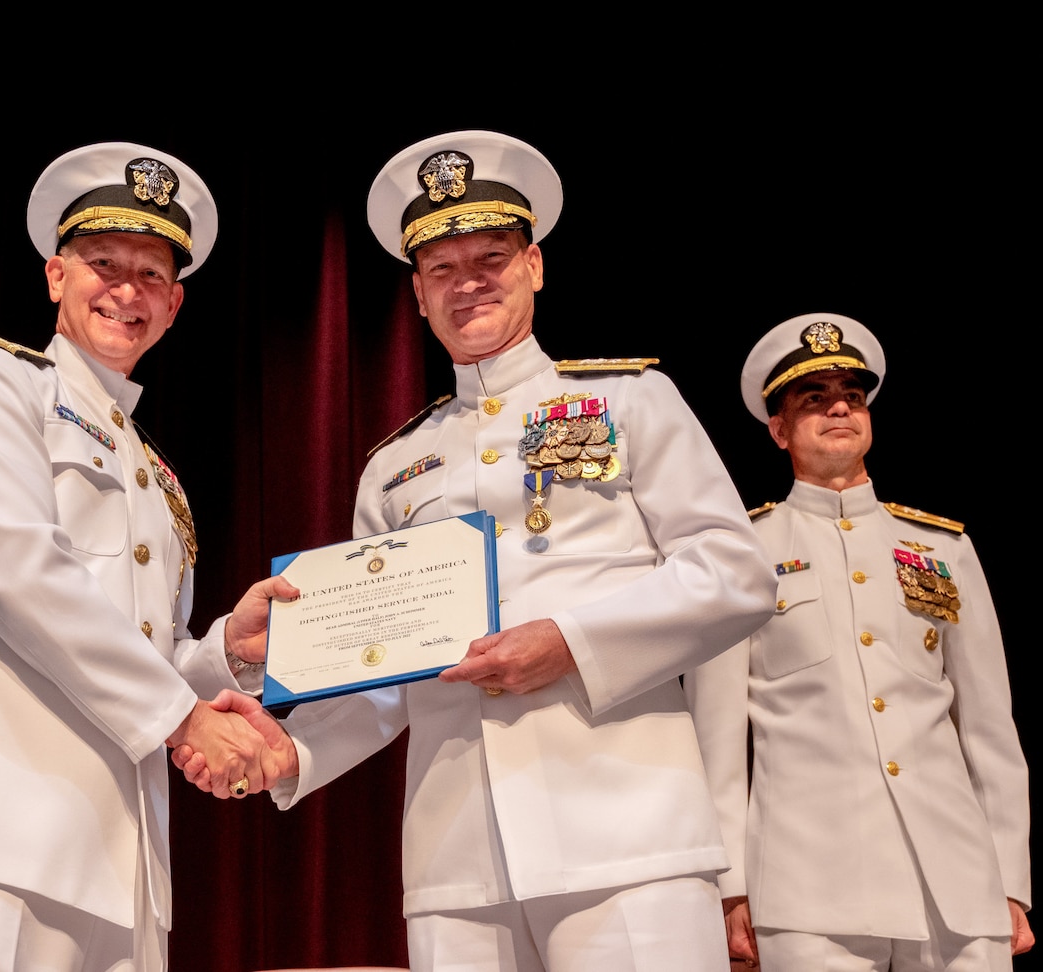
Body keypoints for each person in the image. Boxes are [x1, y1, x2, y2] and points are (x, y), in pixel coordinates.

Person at [180, 130, 777, 970]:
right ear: (418, 295)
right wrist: (295, 749)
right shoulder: (392, 468)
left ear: (534, 264)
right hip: (459, 856)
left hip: (628, 833)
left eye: (491, 257)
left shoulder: (632, 399)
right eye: (442, 270)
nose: (468, 284)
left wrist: (568, 642)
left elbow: (736, 572)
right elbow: (381, 672)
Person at [0, 141, 295, 972]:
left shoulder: (159, 477)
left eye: (151, 275)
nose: (127, 290)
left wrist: (225, 653)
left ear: (176, 305)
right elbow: (16, 571)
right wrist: (182, 717)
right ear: (56, 276)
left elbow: (144, 656)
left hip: (121, 860)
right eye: (103, 262)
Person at [684, 312, 1033, 970]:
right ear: (779, 429)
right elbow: (718, 744)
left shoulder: (940, 549)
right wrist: (729, 889)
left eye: (851, 394)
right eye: (812, 398)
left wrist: (1010, 880)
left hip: (957, 884)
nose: (838, 407)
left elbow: (990, 731)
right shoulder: (744, 554)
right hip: (809, 888)